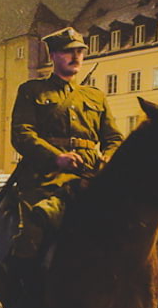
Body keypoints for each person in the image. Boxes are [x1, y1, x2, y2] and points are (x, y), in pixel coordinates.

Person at [9, 26, 123, 258]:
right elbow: (22, 133)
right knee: (34, 232)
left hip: (90, 175)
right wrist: (56, 157)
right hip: (46, 177)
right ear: (52, 56)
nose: (76, 57)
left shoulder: (95, 96)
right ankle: (25, 288)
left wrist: (111, 155)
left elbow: (113, 137)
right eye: (68, 52)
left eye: (80, 52)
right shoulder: (32, 90)